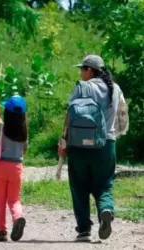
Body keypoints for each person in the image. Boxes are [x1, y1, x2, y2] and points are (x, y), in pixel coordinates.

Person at [58, 55, 126, 241]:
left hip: (79, 145)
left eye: (82, 69)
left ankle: (84, 229)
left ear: (90, 70)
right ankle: (105, 209)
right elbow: (122, 117)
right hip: (105, 144)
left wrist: (63, 140)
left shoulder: (83, 87)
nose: (81, 73)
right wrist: (113, 135)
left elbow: (70, 114)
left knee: (79, 186)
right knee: (104, 184)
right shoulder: (116, 88)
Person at [0, 95, 28, 242]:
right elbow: (24, 150)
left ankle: (1, 231)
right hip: (17, 167)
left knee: (0, 200)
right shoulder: (24, 130)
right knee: (14, 200)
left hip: (1, 166)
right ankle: (18, 217)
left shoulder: (1, 127)